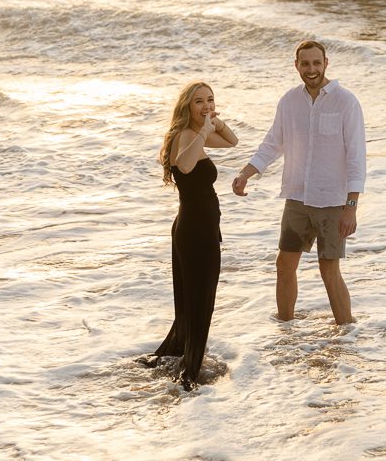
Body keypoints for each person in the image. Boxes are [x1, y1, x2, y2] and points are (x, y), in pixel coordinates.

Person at [232, 40, 365, 325]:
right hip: (297, 199)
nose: (311, 69)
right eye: (305, 64)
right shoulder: (289, 101)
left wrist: (351, 206)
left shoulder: (346, 102)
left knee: (329, 270)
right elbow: (272, 144)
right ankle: (285, 331)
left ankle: (348, 334)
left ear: (326, 63)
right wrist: (245, 173)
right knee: (284, 265)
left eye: (317, 63)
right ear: (297, 66)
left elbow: (357, 158)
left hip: (332, 201)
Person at [140, 81, 238, 390]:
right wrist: (203, 131)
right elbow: (183, 164)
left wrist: (213, 123)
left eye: (210, 100)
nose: (206, 105)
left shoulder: (198, 134)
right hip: (195, 231)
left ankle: (182, 358)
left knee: (193, 300)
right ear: (186, 107)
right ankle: (190, 374)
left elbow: (233, 141)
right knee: (199, 300)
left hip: (199, 227)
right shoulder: (183, 136)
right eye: (199, 102)